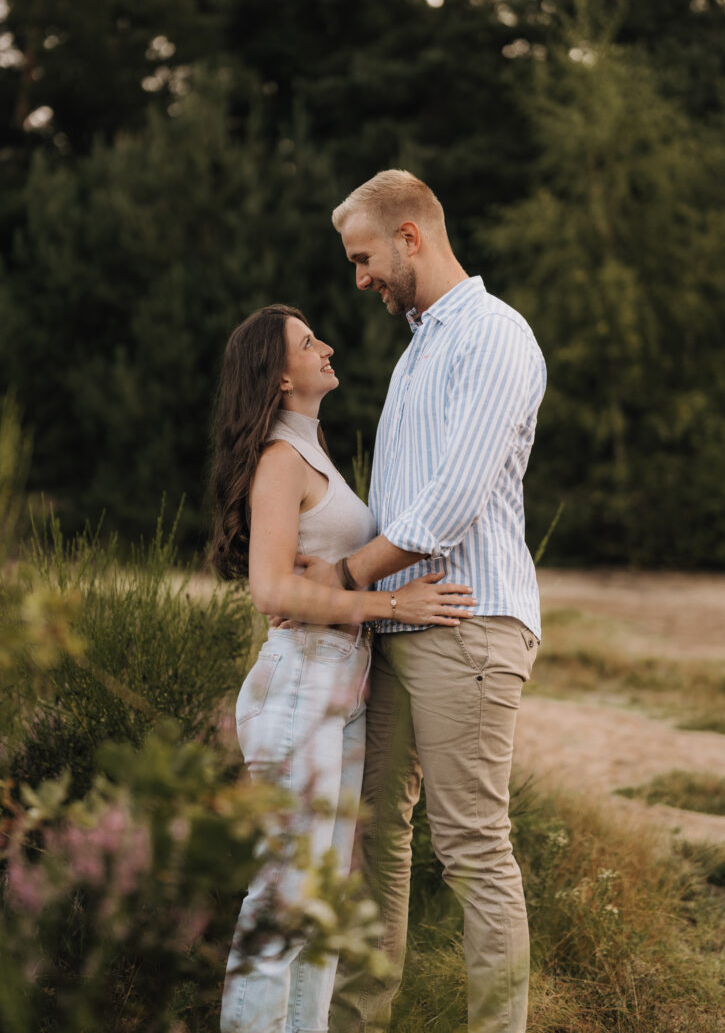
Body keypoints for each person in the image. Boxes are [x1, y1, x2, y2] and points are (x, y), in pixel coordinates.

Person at [292, 171, 546, 1033]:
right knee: (378, 839)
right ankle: (359, 1022)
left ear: (410, 236)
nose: (358, 277)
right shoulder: (417, 348)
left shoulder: (493, 334)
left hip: (469, 621)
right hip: (402, 622)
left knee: (473, 848)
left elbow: (451, 501)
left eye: (364, 257)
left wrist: (346, 578)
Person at [210, 303, 477, 1033]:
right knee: (285, 900)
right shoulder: (279, 461)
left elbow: (325, 579)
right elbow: (270, 591)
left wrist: (371, 599)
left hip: (338, 692)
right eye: (307, 342)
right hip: (298, 685)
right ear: (279, 373)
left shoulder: (315, 455)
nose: (326, 347)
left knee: (319, 904)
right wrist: (392, 607)